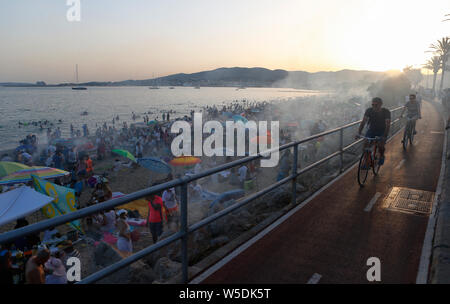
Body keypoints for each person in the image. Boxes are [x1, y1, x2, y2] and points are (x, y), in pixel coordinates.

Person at [356, 97, 391, 166]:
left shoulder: (386, 112)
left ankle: (381, 156)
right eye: (373, 105)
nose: (374, 107)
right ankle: (367, 162)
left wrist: (384, 136)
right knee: (365, 146)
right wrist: (358, 133)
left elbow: (388, 124)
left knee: (381, 145)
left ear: (381, 104)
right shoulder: (369, 110)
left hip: (382, 130)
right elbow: (363, 122)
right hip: (371, 130)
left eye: (376, 105)